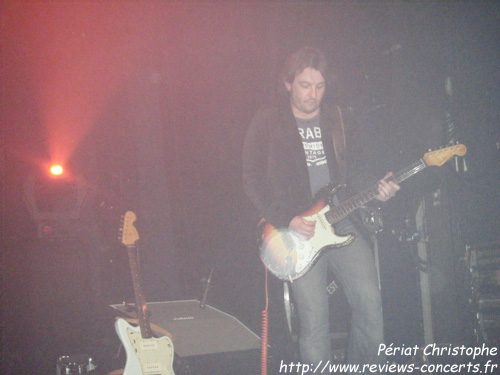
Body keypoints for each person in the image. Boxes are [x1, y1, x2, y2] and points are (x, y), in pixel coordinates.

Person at [242, 46, 400, 369]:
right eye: (305, 85)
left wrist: (377, 188)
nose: (313, 94)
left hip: (341, 220)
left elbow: (356, 169)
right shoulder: (268, 121)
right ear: (288, 83)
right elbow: (251, 179)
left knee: (370, 302)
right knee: (314, 322)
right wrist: (287, 218)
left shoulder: (338, 118)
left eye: (320, 86)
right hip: (295, 232)